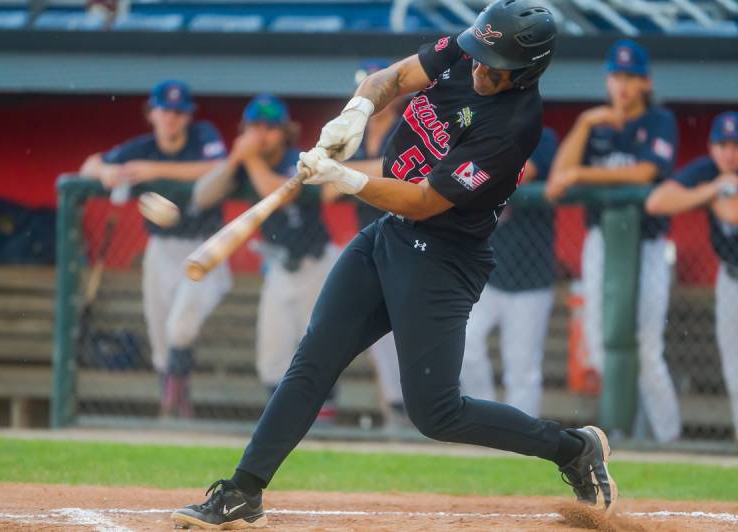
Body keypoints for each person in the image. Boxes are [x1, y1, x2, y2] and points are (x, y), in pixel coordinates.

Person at [173, 3, 617, 529]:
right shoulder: (469, 49)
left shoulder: (515, 124)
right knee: (313, 359)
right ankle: (243, 491)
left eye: (493, 66)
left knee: (436, 413)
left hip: (445, 259)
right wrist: (358, 111)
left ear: (527, 72)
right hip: (388, 237)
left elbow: (426, 201)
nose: (478, 69)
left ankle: (571, 449)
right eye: (477, 56)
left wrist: (344, 177)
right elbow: (397, 76)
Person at [546, 39, 682, 444]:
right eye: (616, 76)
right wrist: (585, 124)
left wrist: (584, 176)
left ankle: (670, 440)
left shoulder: (659, 120)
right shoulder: (597, 125)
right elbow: (557, 180)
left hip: (648, 247)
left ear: (645, 82)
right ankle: (622, 435)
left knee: (647, 349)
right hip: (601, 241)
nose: (622, 86)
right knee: (600, 339)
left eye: (631, 77)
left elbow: (644, 174)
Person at [80, 79, 230, 418]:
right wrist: (106, 171)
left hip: (205, 245)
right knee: (161, 329)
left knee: (181, 325)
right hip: (161, 248)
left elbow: (220, 166)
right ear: (152, 114)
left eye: (179, 112)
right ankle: (173, 401)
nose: (172, 119)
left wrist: (154, 170)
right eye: (165, 111)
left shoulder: (203, 136)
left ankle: (176, 402)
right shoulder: (143, 145)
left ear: (188, 116)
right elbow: (89, 164)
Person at [190, 94, 342, 424]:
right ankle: (281, 425)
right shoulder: (245, 162)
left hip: (316, 264)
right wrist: (234, 159)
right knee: (272, 352)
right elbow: (203, 196)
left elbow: (280, 191)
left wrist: (251, 160)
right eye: (255, 127)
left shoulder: (298, 158)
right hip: (279, 267)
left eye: (270, 128)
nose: (262, 135)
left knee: (318, 349)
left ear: (284, 132)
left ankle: (324, 428)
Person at [646, 111, 738, 441]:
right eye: (722, 144)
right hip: (729, 279)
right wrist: (711, 190)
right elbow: (657, 201)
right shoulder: (711, 173)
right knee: (734, 371)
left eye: (736, 145)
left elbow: (732, 212)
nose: (729, 152)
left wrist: (719, 199)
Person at [460, 128, 558, 417]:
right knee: (463, 343)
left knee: (523, 368)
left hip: (532, 277)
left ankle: (520, 438)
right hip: (486, 272)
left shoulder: (541, 136)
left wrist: (483, 176)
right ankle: (485, 418)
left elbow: (528, 172)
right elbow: (460, 176)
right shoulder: (481, 132)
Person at [345, 59, 408, 428]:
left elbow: (392, 165)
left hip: (409, 235)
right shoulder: (351, 132)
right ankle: (394, 412)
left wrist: (340, 173)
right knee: (376, 334)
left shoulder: (407, 123)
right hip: (370, 242)